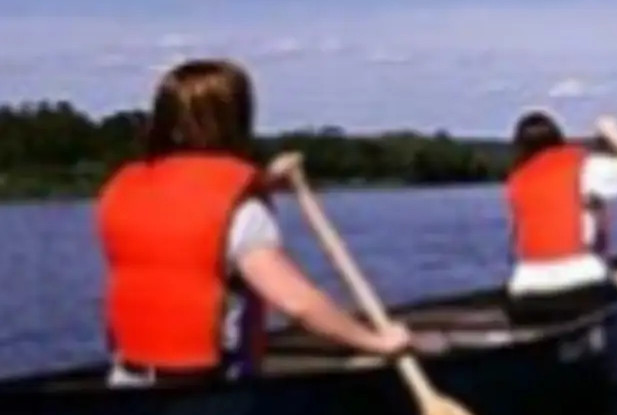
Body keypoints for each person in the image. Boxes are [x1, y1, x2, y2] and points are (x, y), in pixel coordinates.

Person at [96, 58, 410, 386]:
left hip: (127, 375)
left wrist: (265, 181)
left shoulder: (125, 188)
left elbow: (189, 209)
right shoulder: (242, 211)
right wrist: (376, 341)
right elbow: (296, 301)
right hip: (208, 384)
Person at [503, 110, 617, 324]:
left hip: (526, 297)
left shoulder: (517, 180)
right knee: (611, 295)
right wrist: (615, 134)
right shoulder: (583, 165)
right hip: (582, 291)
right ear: (559, 138)